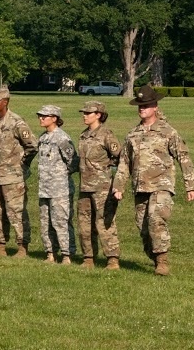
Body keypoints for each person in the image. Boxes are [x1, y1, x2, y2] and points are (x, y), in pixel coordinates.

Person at [113, 85, 194, 276]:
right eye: (139, 106)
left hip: (162, 185)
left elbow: (183, 157)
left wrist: (191, 185)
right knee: (144, 229)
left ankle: (162, 262)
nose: (141, 109)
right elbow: (124, 162)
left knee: (155, 220)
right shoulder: (132, 135)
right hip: (140, 187)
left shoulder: (168, 132)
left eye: (145, 105)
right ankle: (154, 257)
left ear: (154, 106)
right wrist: (118, 186)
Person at [0, 88, 37, 257]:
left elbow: (32, 145)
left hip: (13, 177)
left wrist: (22, 165)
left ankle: (22, 247)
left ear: (5, 102)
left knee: (17, 212)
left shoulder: (17, 123)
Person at [77, 100, 121, 269]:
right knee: (84, 224)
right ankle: (88, 257)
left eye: (88, 113)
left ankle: (112, 258)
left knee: (105, 223)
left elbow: (119, 155)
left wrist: (107, 168)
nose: (84, 116)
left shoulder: (106, 135)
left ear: (99, 115)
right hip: (85, 186)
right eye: (84, 113)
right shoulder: (83, 135)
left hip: (103, 187)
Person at [36, 105, 77, 264]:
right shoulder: (43, 138)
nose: (41, 118)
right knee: (45, 223)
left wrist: (60, 175)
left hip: (60, 189)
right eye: (40, 116)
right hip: (44, 188)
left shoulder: (62, 138)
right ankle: (50, 253)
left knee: (61, 222)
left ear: (54, 118)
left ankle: (67, 254)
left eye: (44, 116)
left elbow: (73, 161)